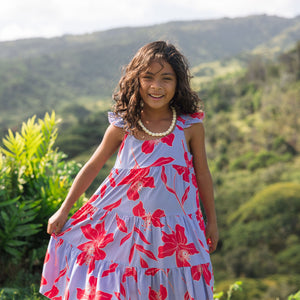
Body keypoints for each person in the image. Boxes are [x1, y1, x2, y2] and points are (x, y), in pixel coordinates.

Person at [40, 41, 218, 300]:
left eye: (166, 78)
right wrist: (64, 210)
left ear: (178, 83)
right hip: (127, 234)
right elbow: (93, 166)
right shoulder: (124, 125)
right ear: (136, 80)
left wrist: (211, 222)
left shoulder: (190, 126)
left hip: (178, 235)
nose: (156, 86)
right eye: (148, 77)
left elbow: (203, 174)